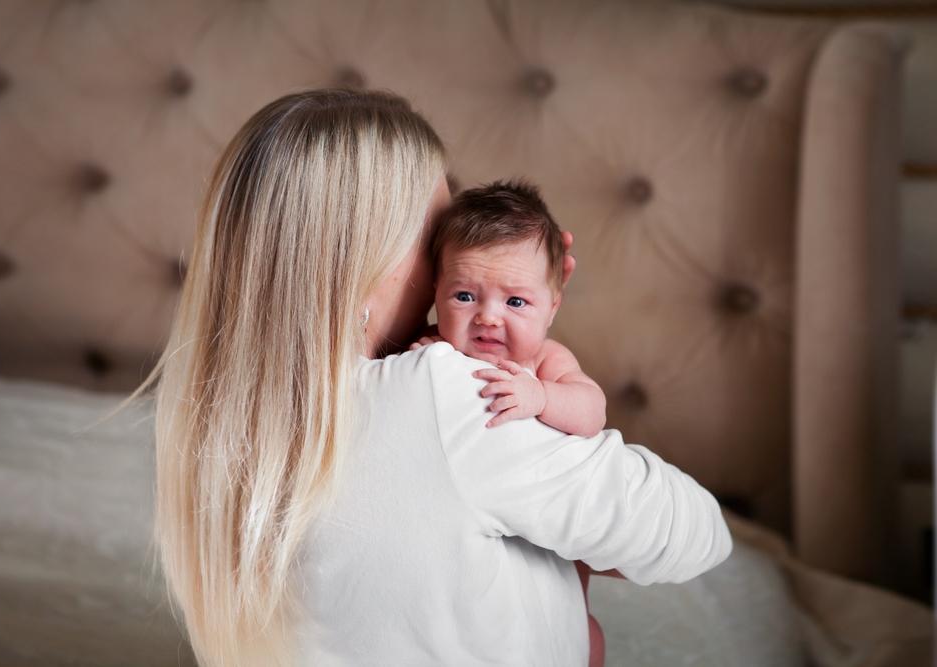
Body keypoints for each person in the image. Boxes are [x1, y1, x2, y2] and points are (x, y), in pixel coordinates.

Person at [149, 89, 732, 667]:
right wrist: (528, 292)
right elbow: (696, 535)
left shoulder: (210, 409)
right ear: (363, 265)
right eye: (436, 243)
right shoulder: (446, 394)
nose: (449, 275)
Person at [411, 179, 609, 666]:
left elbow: (592, 412)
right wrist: (419, 356)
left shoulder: (545, 360)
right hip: (474, 554)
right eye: (464, 296)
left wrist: (541, 395)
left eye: (515, 302)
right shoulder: (436, 348)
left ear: (553, 305)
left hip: (551, 547)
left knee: (583, 638)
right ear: (434, 291)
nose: (488, 318)